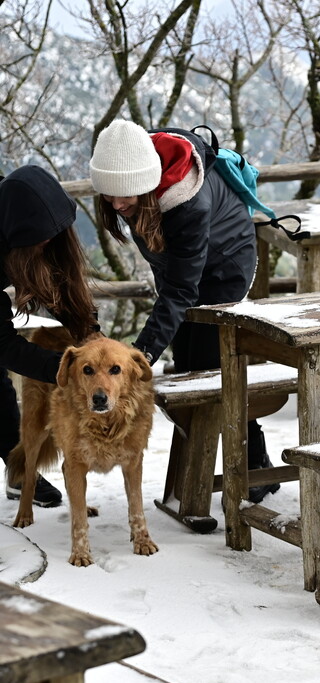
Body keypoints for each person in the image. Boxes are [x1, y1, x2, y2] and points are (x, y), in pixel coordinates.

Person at [89, 120, 279, 503]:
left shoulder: (187, 202)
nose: (116, 205)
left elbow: (180, 290)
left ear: (147, 184)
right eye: (108, 195)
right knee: (189, 364)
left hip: (225, 268)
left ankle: (246, 469)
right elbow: (175, 278)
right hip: (181, 271)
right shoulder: (131, 167)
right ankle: (196, 476)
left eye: (124, 196)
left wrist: (137, 359)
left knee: (206, 369)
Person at [0, 165, 99, 506]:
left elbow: (62, 288)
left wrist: (92, 340)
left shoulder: (20, 214)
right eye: (41, 239)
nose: (49, 243)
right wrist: (65, 367)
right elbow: (3, 345)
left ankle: (18, 473)